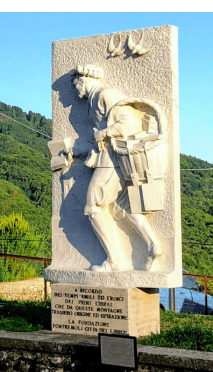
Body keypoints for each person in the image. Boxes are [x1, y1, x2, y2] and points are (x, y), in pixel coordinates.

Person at [70, 64, 162, 272]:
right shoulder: (94, 100)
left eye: (75, 85)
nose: (75, 91)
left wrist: (104, 133)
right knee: (123, 208)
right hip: (108, 156)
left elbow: (129, 124)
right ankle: (153, 246)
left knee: (93, 207)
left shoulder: (104, 94)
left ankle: (114, 261)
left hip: (112, 159)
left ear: (82, 80)